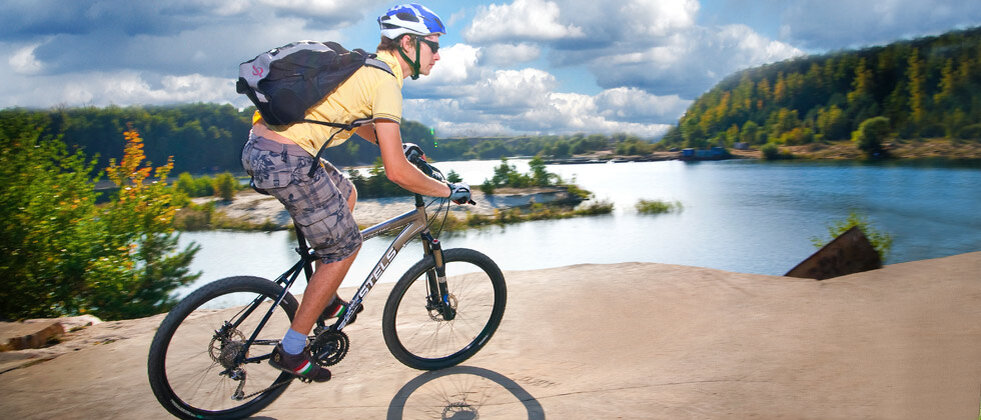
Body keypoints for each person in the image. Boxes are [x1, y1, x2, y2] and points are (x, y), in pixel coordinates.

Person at [241, 3, 472, 382]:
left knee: (346, 193)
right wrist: (446, 191)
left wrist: (393, 143)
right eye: (433, 45)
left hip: (267, 150)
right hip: (286, 161)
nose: (438, 54)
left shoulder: (368, 67)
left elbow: (355, 120)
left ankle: (325, 296)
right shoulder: (386, 82)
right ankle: (292, 349)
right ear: (408, 44)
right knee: (345, 247)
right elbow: (397, 172)